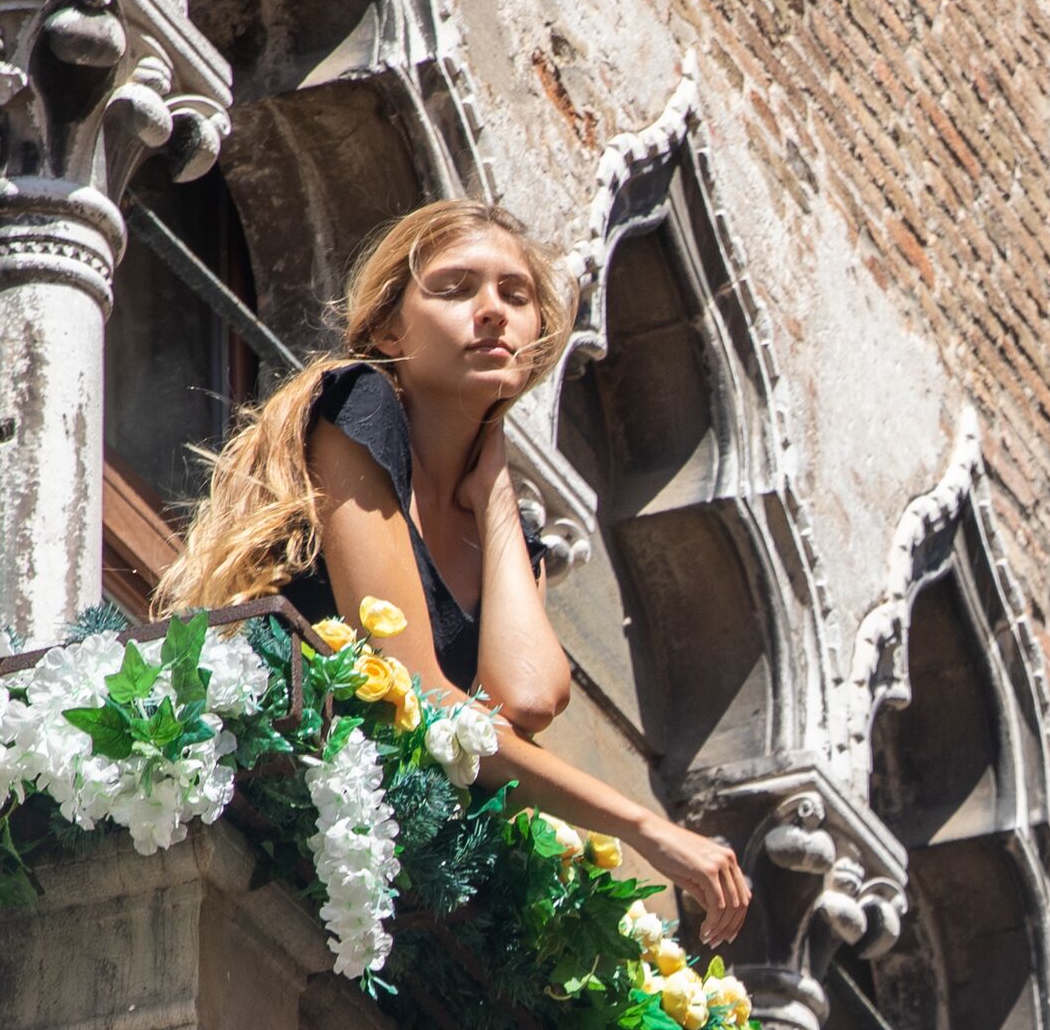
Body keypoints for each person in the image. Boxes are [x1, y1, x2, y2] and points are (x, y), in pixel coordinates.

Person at [158, 199, 752, 943]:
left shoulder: (510, 537)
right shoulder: (358, 408)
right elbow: (421, 692)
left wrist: (497, 498)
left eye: (516, 294)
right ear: (387, 328)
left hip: (373, 859)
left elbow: (528, 698)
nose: (492, 311)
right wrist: (644, 826)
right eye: (455, 288)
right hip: (262, 807)